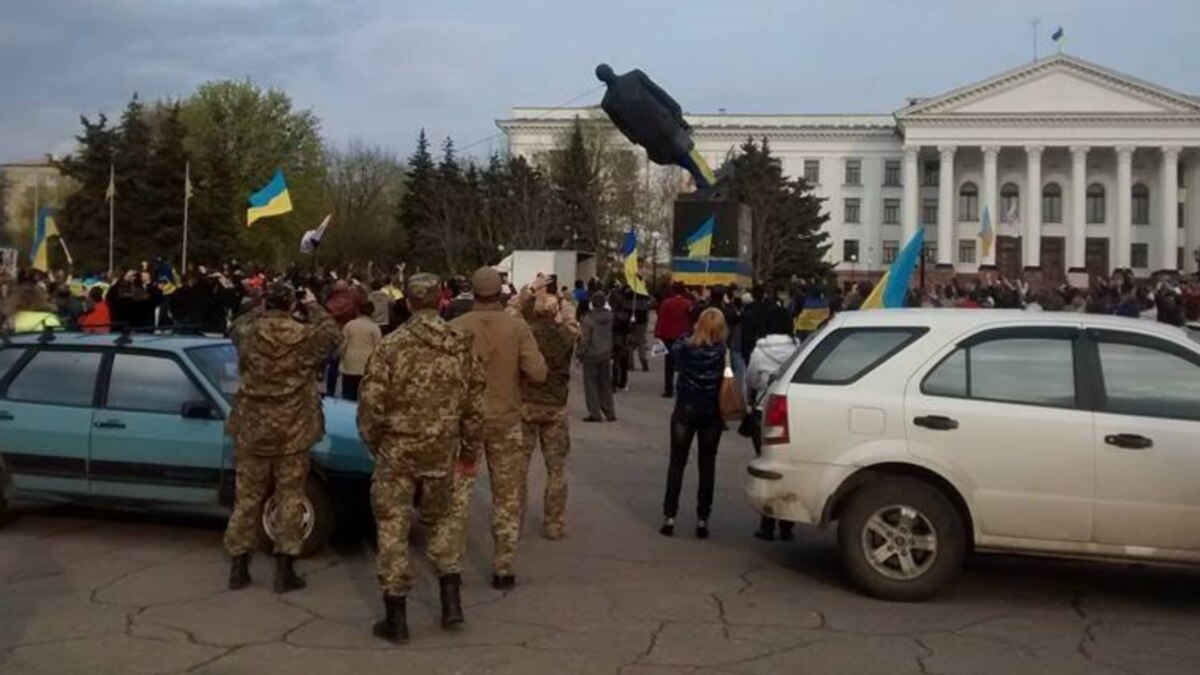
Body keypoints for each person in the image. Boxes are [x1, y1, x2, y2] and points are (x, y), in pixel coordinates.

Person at [357, 273, 485, 644]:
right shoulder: (460, 344)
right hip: (441, 447)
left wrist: (375, 441)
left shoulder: (391, 346)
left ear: (409, 302)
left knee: (393, 525)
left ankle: (396, 617)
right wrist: (469, 449)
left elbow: (371, 404)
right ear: (440, 300)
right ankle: (451, 600)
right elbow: (474, 404)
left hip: (398, 449)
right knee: (442, 519)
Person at [223, 283, 340, 594]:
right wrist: (312, 305)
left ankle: (238, 566)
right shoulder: (306, 337)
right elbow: (332, 333)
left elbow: (236, 325)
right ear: (291, 304)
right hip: (293, 429)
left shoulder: (248, 333)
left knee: (247, 498)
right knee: (289, 497)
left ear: (265, 303)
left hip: (253, 427)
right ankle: (284, 568)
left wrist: (260, 310)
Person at [450, 267, 547, 590]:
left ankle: (452, 564)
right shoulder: (517, 328)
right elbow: (538, 373)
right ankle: (503, 566)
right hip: (506, 421)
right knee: (507, 495)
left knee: (459, 495)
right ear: (500, 292)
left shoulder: (455, 328)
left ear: (472, 291)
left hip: (466, 425)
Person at [661, 308, 728, 539]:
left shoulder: (685, 348)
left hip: (685, 410)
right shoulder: (722, 352)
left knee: (677, 464)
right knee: (707, 465)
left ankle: (669, 515)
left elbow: (674, 352)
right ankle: (702, 518)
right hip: (711, 413)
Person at [520, 293, 576, 539]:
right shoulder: (565, 335)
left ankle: (514, 519)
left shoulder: (525, 334)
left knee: (518, 469)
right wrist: (565, 307)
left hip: (526, 404)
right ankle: (554, 523)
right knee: (556, 470)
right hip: (555, 407)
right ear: (555, 312)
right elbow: (573, 327)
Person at [743, 309, 800, 542]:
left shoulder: (759, 349)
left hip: (762, 413)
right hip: (789, 412)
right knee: (789, 468)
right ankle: (787, 524)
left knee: (767, 468)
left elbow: (752, 379)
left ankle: (766, 525)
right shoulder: (798, 348)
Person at [578, 291, 616, 422]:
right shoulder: (610, 317)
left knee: (591, 385)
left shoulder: (588, 319)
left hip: (591, 354)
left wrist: (579, 353)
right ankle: (609, 411)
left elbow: (585, 339)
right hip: (605, 353)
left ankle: (595, 413)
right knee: (605, 384)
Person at [655, 282, 694, 398]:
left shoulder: (666, 303)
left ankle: (668, 389)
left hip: (668, 336)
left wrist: (658, 333)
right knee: (684, 363)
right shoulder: (689, 304)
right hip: (684, 336)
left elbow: (661, 319)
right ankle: (683, 388)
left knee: (669, 364)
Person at [339, 299, 383, 402]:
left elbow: (343, 345)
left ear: (358, 311)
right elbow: (379, 346)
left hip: (350, 363)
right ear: (373, 312)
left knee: (348, 396)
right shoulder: (374, 327)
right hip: (367, 364)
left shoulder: (349, 325)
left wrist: (341, 360)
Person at [610, 288, 633, 391]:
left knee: (616, 361)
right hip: (623, 338)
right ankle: (622, 382)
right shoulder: (625, 313)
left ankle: (614, 382)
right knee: (623, 361)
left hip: (614, 338)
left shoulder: (611, 314)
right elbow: (628, 328)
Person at [631, 290, 651, 371]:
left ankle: (630, 363)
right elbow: (649, 306)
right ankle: (643, 360)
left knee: (630, 343)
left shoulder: (629, 294)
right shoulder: (644, 294)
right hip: (642, 321)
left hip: (631, 321)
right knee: (641, 342)